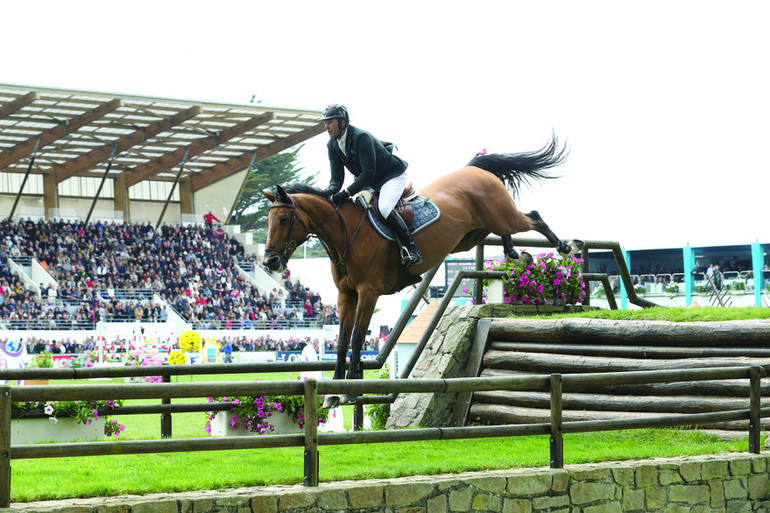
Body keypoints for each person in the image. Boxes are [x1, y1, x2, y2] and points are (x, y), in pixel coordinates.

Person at [319, 104, 422, 266]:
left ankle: (411, 248)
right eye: (325, 123)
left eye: (330, 122)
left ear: (343, 122)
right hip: (371, 181)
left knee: (385, 207)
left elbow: (368, 173)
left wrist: (346, 193)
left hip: (391, 176)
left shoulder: (362, 137)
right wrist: (328, 193)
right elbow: (337, 179)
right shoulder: (332, 145)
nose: (326, 127)